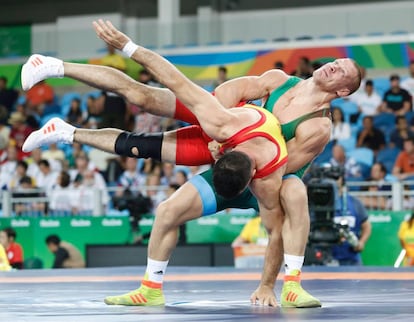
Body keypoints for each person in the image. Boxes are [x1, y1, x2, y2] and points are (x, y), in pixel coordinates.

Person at [21, 20, 361, 307]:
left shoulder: (318, 125)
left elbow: (284, 166)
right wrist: (220, 136)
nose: (333, 65)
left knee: (294, 194)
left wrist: (230, 152)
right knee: (144, 108)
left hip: (261, 171)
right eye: (336, 62)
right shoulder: (276, 80)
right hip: (226, 139)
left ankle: (284, 285)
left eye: (341, 71)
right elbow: (226, 92)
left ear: (343, 92)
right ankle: (150, 289)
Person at [331, 177, 372, 265]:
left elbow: (367, 226)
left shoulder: (354, 202)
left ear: (342, 181)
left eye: (336, 177)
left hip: (351, 257)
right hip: (328, 257)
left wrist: (361, 242)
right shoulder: (321, 203)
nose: (334, 180)